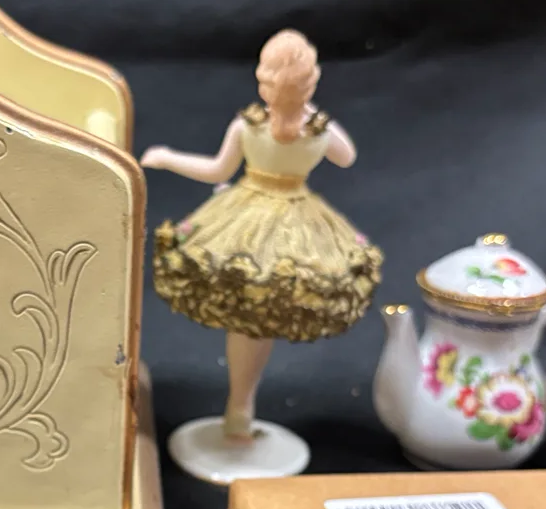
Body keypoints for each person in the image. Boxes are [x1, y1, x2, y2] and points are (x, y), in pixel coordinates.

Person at [141, 30, 382, 444]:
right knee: (260, 314)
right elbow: (347, 157)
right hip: (295, 220)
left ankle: (240, 406)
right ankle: (241, 404)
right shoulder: (319, 131)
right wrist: (312, 119)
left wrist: (166, 158)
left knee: (253, 311)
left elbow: (217, 171)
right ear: (310, 83)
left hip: (250, 216)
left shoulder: (248, 126)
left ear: (265, 82)